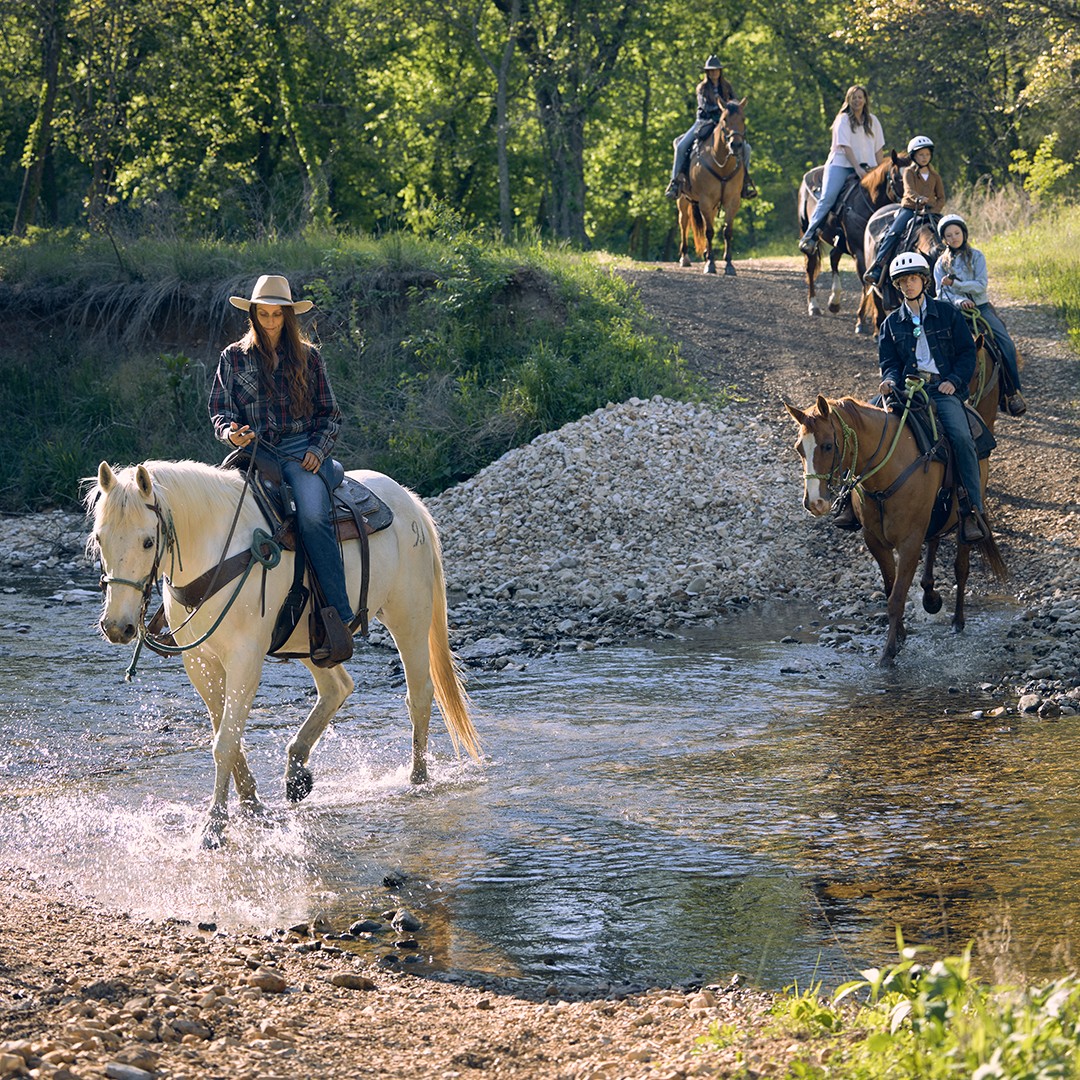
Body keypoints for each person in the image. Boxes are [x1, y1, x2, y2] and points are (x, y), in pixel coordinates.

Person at [209, 273, 355, 664]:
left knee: (311, 516)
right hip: (253, 451)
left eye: (277, 314)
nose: (270, 320)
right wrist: (231, 433)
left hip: (300, 450)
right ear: (253, 314)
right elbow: (220, 412)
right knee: (217, 512)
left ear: (288, 316)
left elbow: (330, 415)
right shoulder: (233, 357)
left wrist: (317, 451)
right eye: (263, 314)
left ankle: (339, 616)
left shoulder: (309, 357)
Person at [878, 251, 987, 544]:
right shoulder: (890, 324)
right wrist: (888, 380)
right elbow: (889, 362)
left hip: (941, 390)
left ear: (924, 281)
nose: (908, 285)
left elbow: (967, 353)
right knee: (870, 428)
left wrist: (953, 381)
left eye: (913, 278)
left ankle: (972, 510)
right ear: (898, 287)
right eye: (902, 281)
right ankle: (851, 502)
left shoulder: (948, 313)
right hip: (905, 391)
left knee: (962, 439)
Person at [933, 213, 1027, 417]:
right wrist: (959, 301)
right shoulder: (941, 263)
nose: (953, 238)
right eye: (948, 235)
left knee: (1005, 343)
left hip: (981, 308)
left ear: (964, 233)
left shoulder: (977, 257)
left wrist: (956, 284)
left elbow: (981, 285)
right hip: (955, 312)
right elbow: (941, 294)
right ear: (944, 239)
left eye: (957, 233)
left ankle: (1012, 392)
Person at [798, 84, 886, 255]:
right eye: (854, 97)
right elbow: (845, 147)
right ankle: (809, 236)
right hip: (841, 165)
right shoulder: (843, 119)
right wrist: (857, 169)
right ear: (848, 100)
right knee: (828, 197)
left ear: (865, 100)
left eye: (860, 97)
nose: (857, 100)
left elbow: (878, 148)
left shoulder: (873, 121)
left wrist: (878, 169)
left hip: (868, 166)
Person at [665, 55, 756, 200]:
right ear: (706, 72)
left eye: (716, 70)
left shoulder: (727, 86)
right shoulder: (702, 88)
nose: (714, 73)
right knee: (681, 146)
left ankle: (745, 183)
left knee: (747, 149)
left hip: (725, 124)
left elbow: (733, 103)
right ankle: (675, 183)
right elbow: (705, 106)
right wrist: (722, 109)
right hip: (704, 122)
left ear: (720, 71)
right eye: (710, 71)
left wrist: (733, 110)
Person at [863, 135, 946, 285]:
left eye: (927, 154)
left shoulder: (935, 176)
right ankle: (878, 266)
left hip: (931, 212)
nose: (924, 157)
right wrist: (918, 200)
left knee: (951, 231)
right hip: (910, 209)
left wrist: (934, 209)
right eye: (921, 154)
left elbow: (941, 197)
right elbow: (909, 191)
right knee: (893, 232)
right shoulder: (908, 172)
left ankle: (958, 265)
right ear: (913, 156)